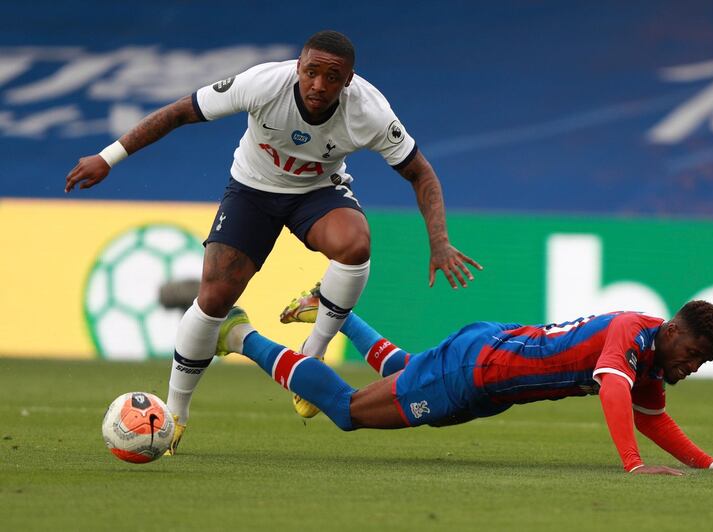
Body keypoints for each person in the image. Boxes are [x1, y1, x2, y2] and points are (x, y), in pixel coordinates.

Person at [65, 30, 482, 453]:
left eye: (331, 76)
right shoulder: (263, 84)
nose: (318, 84)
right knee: (213, 299)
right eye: (311, 72)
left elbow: (420, 172)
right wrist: (107, 157)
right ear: (298, 67)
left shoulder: (370, 112)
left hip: (317, 192)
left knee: (355, 246)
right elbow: (178, 113)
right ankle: (175, 415)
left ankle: (313, 353)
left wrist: (440, 242)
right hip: (251, 190)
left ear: (349, 80)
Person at [215, 288, 713, 475]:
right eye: (692, 355)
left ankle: (331, 306)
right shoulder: (631, 335)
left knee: (406, 373)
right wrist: (634, 465)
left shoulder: (652, 356)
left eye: (700, 364)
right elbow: (616, 392)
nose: (690, 368)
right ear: (674, 330)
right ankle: (240, 336)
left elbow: (654, 417)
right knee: (347, 410)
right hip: (477, 372)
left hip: (487, 367)